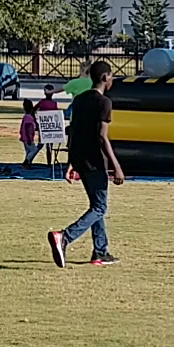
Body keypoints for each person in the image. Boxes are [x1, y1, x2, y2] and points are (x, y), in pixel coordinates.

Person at [48, 59, 124, 267]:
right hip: (95, 160)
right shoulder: (104, 103)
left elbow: (74, 131)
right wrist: (116, 166)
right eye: (111, 75)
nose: (112, 79)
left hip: (80, 158)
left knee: (96, 205)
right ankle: (64, 236)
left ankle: (100, 251)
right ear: (105, 78)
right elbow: (102, 136)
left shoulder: (80, 100)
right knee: (100, 207)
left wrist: (71, 162)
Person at [20, 99, 43, 167]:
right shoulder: (29, 118)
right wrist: (29, 138)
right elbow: (28, 129)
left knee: (28, 151)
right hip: (28, 138)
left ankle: (27, 163)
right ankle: (26, 161)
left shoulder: (26, 116)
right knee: (34, 150)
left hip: (24, 137)